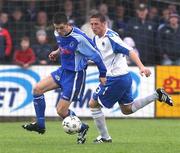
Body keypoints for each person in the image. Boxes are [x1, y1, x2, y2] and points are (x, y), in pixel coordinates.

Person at [22, 12, 107, 144]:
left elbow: (97, 56)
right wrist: (57, 52)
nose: (59, 31)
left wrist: (102, 74)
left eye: (62, 28)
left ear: (68, 25)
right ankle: (40, 124)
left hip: (75, 75)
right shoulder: (57, 33)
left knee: (61, 111)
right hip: (63, 71)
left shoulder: (79, 38)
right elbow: (63, 45)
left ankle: (82, 128)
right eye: (56, 28)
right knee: (37, 89)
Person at [89, 13, 173, 143]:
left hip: (116, 78)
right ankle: (157, 95)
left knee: (93, 104)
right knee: (127, 109)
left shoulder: (112, 38)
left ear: (104, 24)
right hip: (123, 77)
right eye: (92, 24)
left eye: (96, 24)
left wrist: (141, 67)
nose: (94, 27)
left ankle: (105, 138)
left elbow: (130, 51)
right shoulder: (96, 38)